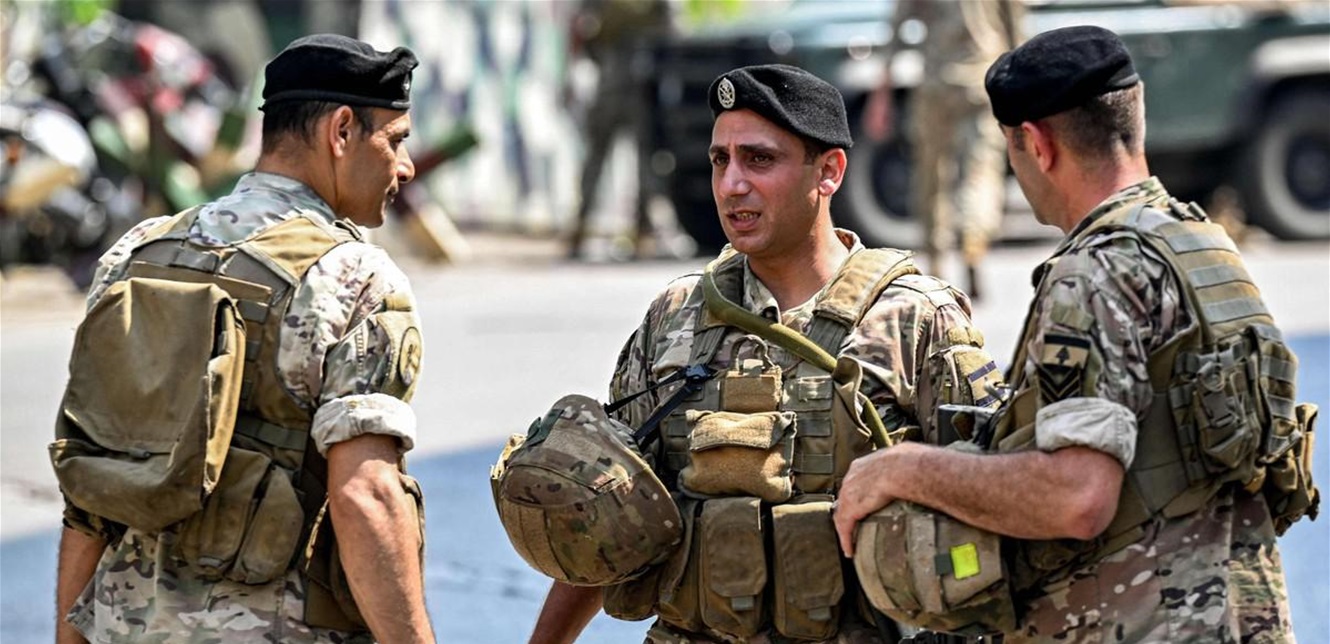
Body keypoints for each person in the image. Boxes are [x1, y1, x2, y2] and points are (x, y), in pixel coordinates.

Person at [834, 26, 1316, 642]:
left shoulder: (1093, 275)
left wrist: (905, 468)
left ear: (1037, 145)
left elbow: (1078, 496)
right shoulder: (1206, 247)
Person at [524, 64, 1002, 643]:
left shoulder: (914, 318)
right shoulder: (676, 314)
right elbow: (607, 514)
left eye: (759, 159)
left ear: (829, 172)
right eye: (720, 160)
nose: (731, 184)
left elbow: (992, 507)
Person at [52, 34, 435, 643]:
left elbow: (92, 479)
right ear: (341, 131)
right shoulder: (356, 277)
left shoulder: (139, 253)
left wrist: (69, 637)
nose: (405, 166)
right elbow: (366, 495)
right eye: (395, 140)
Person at [864, 0, 1024, 300]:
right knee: (981, 171)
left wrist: (881, 92)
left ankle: (936, 259)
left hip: (936, 82)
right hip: (982, 80)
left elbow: (898, 26)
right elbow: (1015, 29)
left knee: (932, 175)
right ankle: (973, 243)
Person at [565, 0, 671, 259]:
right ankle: (637, 231)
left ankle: (635, 229)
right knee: (636, 159)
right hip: (629, 82)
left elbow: (584, 32)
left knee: (633, 160)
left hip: (622, 82)